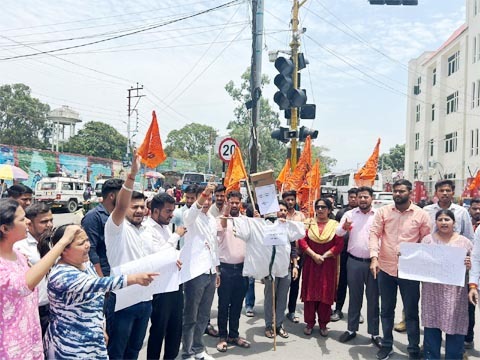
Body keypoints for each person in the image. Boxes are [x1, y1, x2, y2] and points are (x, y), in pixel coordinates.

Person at [39, 224, 156, 360]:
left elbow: (94, 302)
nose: (87, 245)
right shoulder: (61, 275)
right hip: (70, 346)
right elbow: (98, 284)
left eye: (87, 240)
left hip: (92, 340)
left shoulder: (85, 264)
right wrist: (133, 278)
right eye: (81, 243)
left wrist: (100, 328)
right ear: (64, 250)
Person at [0, 199, 76, 359]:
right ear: (5, 228)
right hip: (8, 345)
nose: (28, 222)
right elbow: (23, 286)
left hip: (29, 338)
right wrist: (62, 243)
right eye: (21, 219)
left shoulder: (18, 254)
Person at [369, 179, 431, 360]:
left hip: (410, 271)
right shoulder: (383, 212)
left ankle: (413, 349)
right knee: (386, 310)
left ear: (410, 193)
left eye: (401, 191)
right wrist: (374, 257)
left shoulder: (421, 215)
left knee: (411, 312)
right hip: (386, 269)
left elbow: (426, 241)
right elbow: (374, 234)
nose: (397, 194)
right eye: (395, 191)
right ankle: (386, 345)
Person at [104, 150, 154, 360]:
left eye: (143, 207)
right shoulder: (116, 228)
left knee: (134, 350)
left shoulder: (146, 230)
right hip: (122, 301)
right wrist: (132, 175)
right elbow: (122, 204)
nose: (140, 211)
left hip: (145, 300)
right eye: (134, 207)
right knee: (117, 352)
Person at [420, 210, 472, 360]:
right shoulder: (427, 240)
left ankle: (454, 357)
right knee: (431, 325)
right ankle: (432, 357)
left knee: (455, 325)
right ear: (435, 223)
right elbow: (420, 262)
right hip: (432, 292)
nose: (443, 222)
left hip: (455, 293)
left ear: (454, 223)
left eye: (447, 219)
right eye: (440, 219)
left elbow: (475, 264)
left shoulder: (464, 242)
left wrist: (469, 264)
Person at [336, 187, 381, 348]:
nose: (362, 200)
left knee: (374, 299)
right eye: (360, 197)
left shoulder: (379, 215)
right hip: (353, 262)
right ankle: (351, 329)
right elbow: (338, 233)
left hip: (374, 263)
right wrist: (344, 227)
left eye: (366, 197)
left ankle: (375, 333)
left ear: (372, 198)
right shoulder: (350, 215)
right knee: (354, 297)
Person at [181, 183, 219, 360]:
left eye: (209, 198)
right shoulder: (189, 215)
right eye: (204, 197)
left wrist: (216, 270)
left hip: (210, 272)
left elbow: (214, 247)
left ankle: (198, 348)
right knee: (190, 315)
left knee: (204, 314)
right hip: (195, 273)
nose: (206, 201)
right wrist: (204, 193)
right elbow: (192, 213)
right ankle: (187, 351)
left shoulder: (211, 219)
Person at [146, 193, 186, 360]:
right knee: (158, 330)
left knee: (176, 328)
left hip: (174, 284)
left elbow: (169, 254)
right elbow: (157, 256)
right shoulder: (147, 229)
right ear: (155, 211)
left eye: (172, 211)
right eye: (168, 211)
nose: (171, 215)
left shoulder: (165, 226)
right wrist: (176, 235)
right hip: (159, 288)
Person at [298, 198, 344, 337]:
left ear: (329, 210)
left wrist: (324, 256)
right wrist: (313, 255)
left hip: (328, 264)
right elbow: (302, 241)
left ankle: (323, 324)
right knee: (310, 295)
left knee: (325, 294)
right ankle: (310, 323)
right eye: (317, 207)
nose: (320, 210)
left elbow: (339, 244)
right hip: (311, 263)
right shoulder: (308, 223)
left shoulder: (335, 226)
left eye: (323, 207)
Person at [216, 191, 249, 352]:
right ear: (227, 202)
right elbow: (221, 228)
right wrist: (226, 213)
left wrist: (257, 219)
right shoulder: (222, 220)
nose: (234, 205)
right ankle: (222, 336)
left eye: (237, 202)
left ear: (241, 203)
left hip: (242, 269)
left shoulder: (245, 221)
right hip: (225, 269)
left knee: (237, 305)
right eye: (232, 202)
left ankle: (234, 335)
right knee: (223, 304)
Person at [13, 203, 54, 336]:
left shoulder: (51, 242)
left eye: (51, 220)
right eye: (44, 222)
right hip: (34, 309)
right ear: (29, 224)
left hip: (54, 306)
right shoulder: (19, 247)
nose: (49, 225)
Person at [262, 200, 299, 339]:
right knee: (270, 298)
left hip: (286, 269)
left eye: (285, 210)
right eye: (280, 210)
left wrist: (295, 265)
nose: (283, 212)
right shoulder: (268, 227)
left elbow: (293, 249)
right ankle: (268, 325)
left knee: (282, 298)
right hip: (271, 269)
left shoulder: (289, 228)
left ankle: (279, 325)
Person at [82, 178, 124, 277]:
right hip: (105, 272)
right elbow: (91, 250)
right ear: (112, 196)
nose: (126, 199)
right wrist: (101, 280)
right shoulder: (93, 217)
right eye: (123, 196)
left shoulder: (121, 216)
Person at [331, 188, 358, 323]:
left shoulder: (363, 214)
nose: (353, 199)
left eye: (355, 197)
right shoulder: (343, 213)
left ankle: (356, 312)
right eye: (351, 197)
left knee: (356, 286)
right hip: (343, 253)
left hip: (357, 254)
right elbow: (336, 231)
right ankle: (338, 309)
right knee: (341, 282)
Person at [283, 190, 305, 324]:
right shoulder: (279, 214)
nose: (290, 202)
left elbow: (304, 235)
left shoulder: (301, 216)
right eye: (287, 199)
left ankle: (291, 311)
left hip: (298, 255)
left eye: (292, 199)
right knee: (280, 286)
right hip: (282, 255)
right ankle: (277, 311)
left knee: (295, 284)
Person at [466, 197, 480, 349]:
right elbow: (476, 258)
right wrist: (473, 285)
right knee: (468, 310)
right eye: (475, 208)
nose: (478, 211)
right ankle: (467, 338)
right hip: (473, 278)